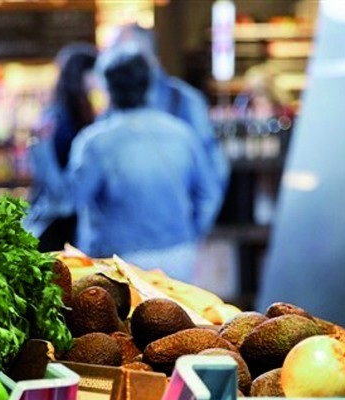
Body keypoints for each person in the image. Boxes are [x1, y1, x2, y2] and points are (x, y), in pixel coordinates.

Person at [66, 45, 223, 282]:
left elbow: (72, 199)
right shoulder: (182, 133)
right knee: (182, 318)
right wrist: (190, 235)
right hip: (178, 256)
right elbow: (209, 193)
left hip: (116, 262)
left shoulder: (94, 142)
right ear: (150, 84)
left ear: (107, 89)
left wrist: (41, 153)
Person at [108, 23, 229, 187]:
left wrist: (193, 212)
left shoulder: (185, 100)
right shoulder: (114, 104)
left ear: (149, 57)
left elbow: (213, 167)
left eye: (120, 53)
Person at [23, 43, 100, 251]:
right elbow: (49, 175)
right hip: (59, 215)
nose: (99, 80)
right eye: (95, 72)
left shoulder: (72, 112)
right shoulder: (59, 117)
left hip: (66, 215)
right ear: (83, 74)